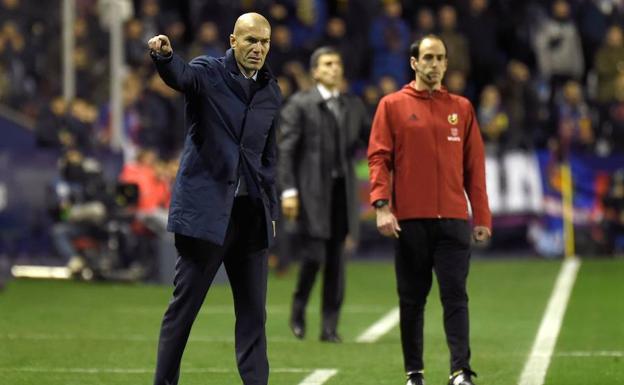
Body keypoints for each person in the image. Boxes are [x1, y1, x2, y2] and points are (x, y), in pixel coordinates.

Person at [147, 12, 282, 385]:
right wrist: (164, 57)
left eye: (265, 42)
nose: (258, 48)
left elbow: (269, 157)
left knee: (255, 315)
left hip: (250, 216)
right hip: (206, 215)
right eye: (251, 40)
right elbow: (181, 76)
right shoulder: (208, 72)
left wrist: (271, 208)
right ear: (233, 40)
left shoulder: (271, 91)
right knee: (184, 311)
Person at [367, 35, 491, 385]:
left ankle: (460, 370)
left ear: (446, 64)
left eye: (440, 58)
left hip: (453, 222)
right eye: (428, 58)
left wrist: (481, 216)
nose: (434, 64)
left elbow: (474, 168)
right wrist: (381, 206)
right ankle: (414, 373)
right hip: (409, 222)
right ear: (414, 63)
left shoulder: (462, 108)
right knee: (412, 301)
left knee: (455, 297)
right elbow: (379, 157)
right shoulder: (391, 105)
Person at [278, 46, 369, 342]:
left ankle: (330, 326)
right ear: (315, 71)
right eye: (327, 64)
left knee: (336, 260)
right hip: (310, 193)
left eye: (338, 63)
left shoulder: (352, 105)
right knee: (314, 256)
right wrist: (289, 190)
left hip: (342, 192)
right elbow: (286, 150)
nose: (334, 68)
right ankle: (299, 306)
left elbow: (373, 140)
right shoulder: (299, 104)